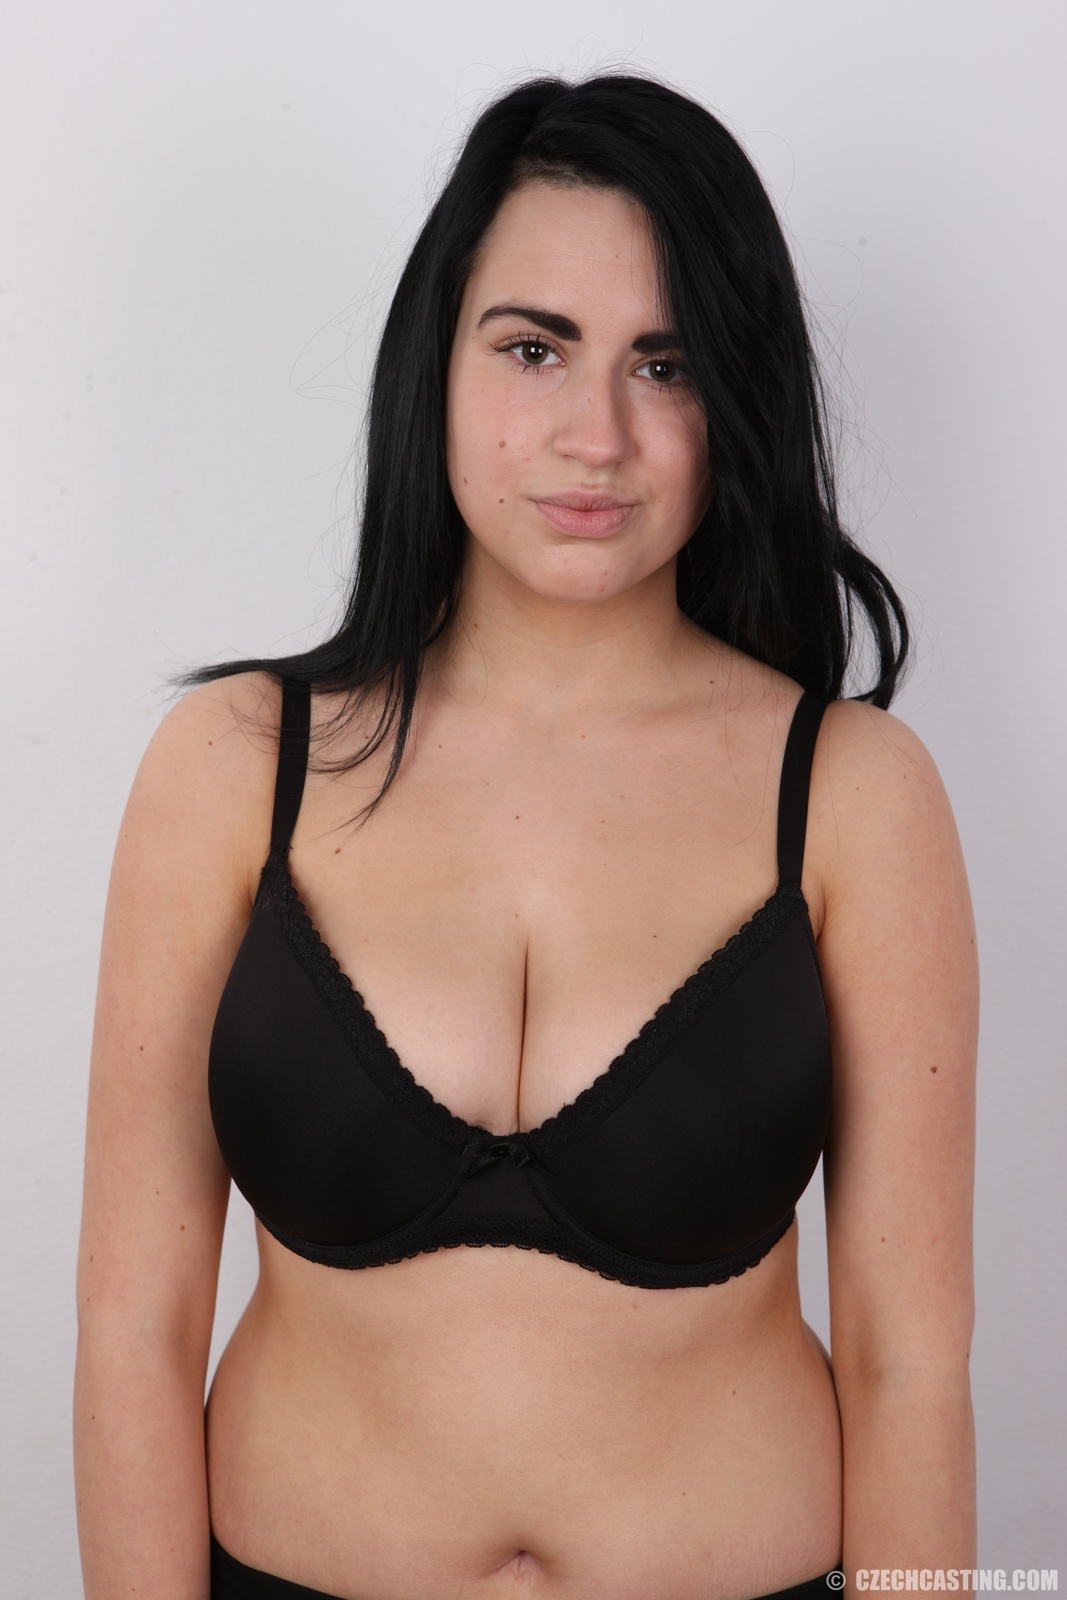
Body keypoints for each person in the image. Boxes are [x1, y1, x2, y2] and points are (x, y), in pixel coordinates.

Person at [73, 74, 977, 1600]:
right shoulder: (232, 770)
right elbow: (131, 1334)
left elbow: (910, 1366)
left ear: (733, 400)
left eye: (664, 364)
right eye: (535, 348)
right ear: (435, 364)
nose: (596, 435)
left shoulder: (854, 797)